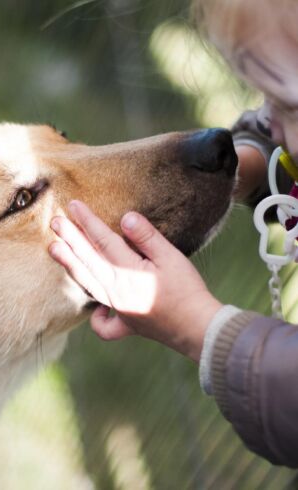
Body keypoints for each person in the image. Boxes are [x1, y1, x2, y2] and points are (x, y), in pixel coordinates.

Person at [49, 0, 298, 468]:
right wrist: (242, 166)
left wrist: (195, 326)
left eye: (287, 104)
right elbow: (273, 136)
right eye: (261, 95)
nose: (275, 124)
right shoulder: (285, 128)